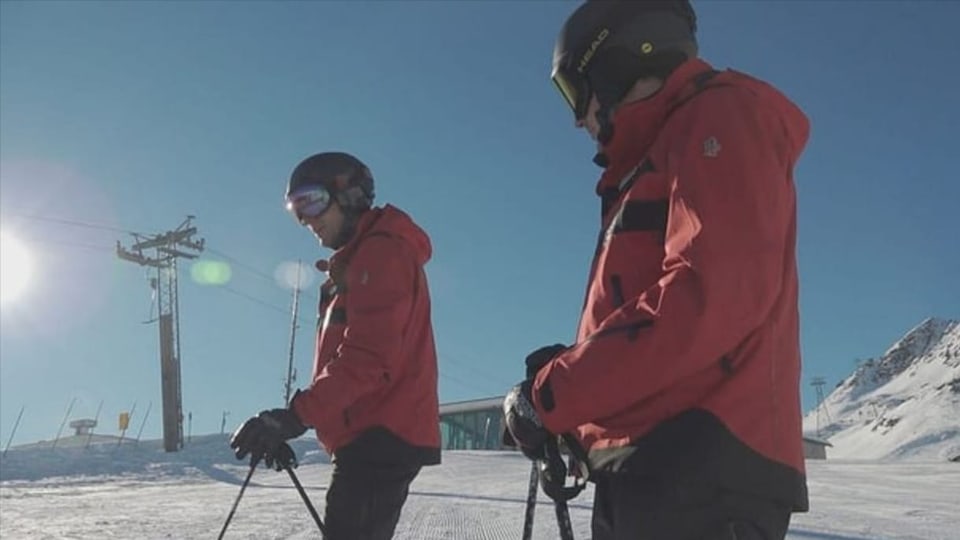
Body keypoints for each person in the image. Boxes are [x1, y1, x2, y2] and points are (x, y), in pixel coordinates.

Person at [503, 1, 810, 538]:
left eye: (576, 92)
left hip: (701, 473)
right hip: (656, 469)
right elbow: (649, 328)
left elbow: (705, 299)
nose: (578, 118)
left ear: (616, 61)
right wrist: (577, 406)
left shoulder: (720, 117)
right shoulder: (653, 160)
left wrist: (555, 395)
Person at [230, 151, 441, 540]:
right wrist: (304, 420)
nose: (305, 220)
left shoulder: (381, 252)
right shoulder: (359, 260)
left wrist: (295, 417)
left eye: (311, 201)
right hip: (369, 436)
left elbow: (367, 357)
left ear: (349, 194)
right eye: (296, 209)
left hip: (380, 434)